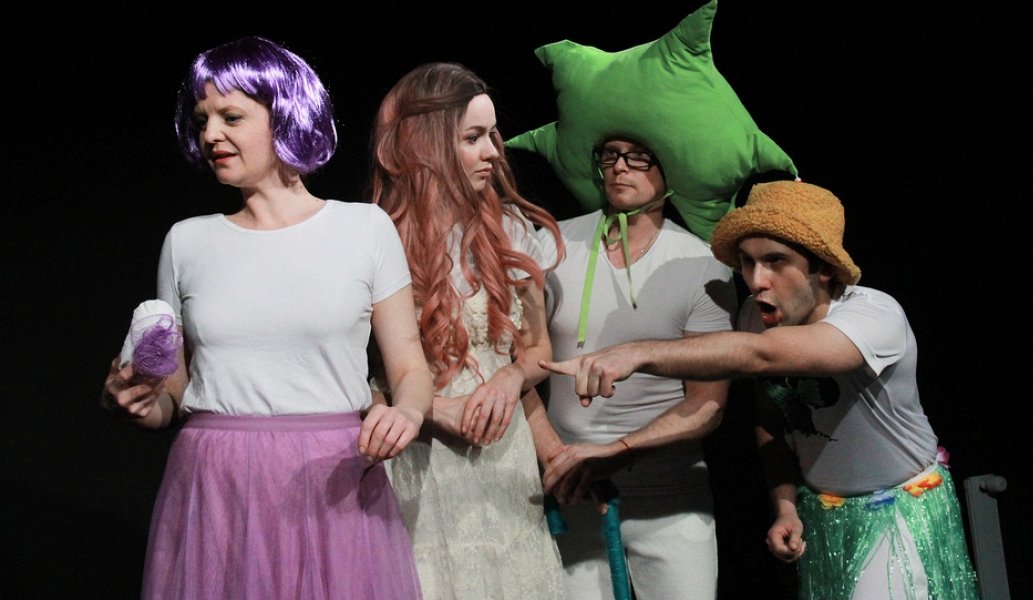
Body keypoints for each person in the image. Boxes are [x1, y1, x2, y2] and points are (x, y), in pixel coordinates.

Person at [100, 36, 432, 599]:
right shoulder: (187, 242)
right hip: (216, 483)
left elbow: (409, 370)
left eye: (231, 117)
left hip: (332, 476)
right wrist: (137, 401)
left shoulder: (364, 230)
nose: (210, 134)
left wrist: (408, 413)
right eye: (202, 120)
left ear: (287, 117)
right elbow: (173, 394)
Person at [541, 180, 980, 599]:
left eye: (775, 261)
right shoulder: (755, 315)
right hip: (824, 513)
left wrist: (635, 354)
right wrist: (785, 506)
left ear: (825, 268)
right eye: (748, 262)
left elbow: (762, 356)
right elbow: (772, 419)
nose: (756, 280)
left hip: (898, 513)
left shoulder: (874, 317)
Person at [366, 62, 568, 599]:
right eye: (473, 138)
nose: (493, 152)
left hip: (505, 460)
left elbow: (536, 348)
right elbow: (354, 382)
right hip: (423, 466)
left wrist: (509, 379)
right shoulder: (374, 241)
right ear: (428, 144)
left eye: (493, 136)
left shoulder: (510, 230)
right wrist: (435, 409)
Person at [528, 137, 736, 600]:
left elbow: (708, 404)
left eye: (638, 156)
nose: (621, 166)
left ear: (669, 166)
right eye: (610, 154)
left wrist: (621, 452)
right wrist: (554, 456)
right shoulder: (551, 244)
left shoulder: (701, 264)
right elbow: (518, 364)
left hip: (669, 496)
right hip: (571, 487)